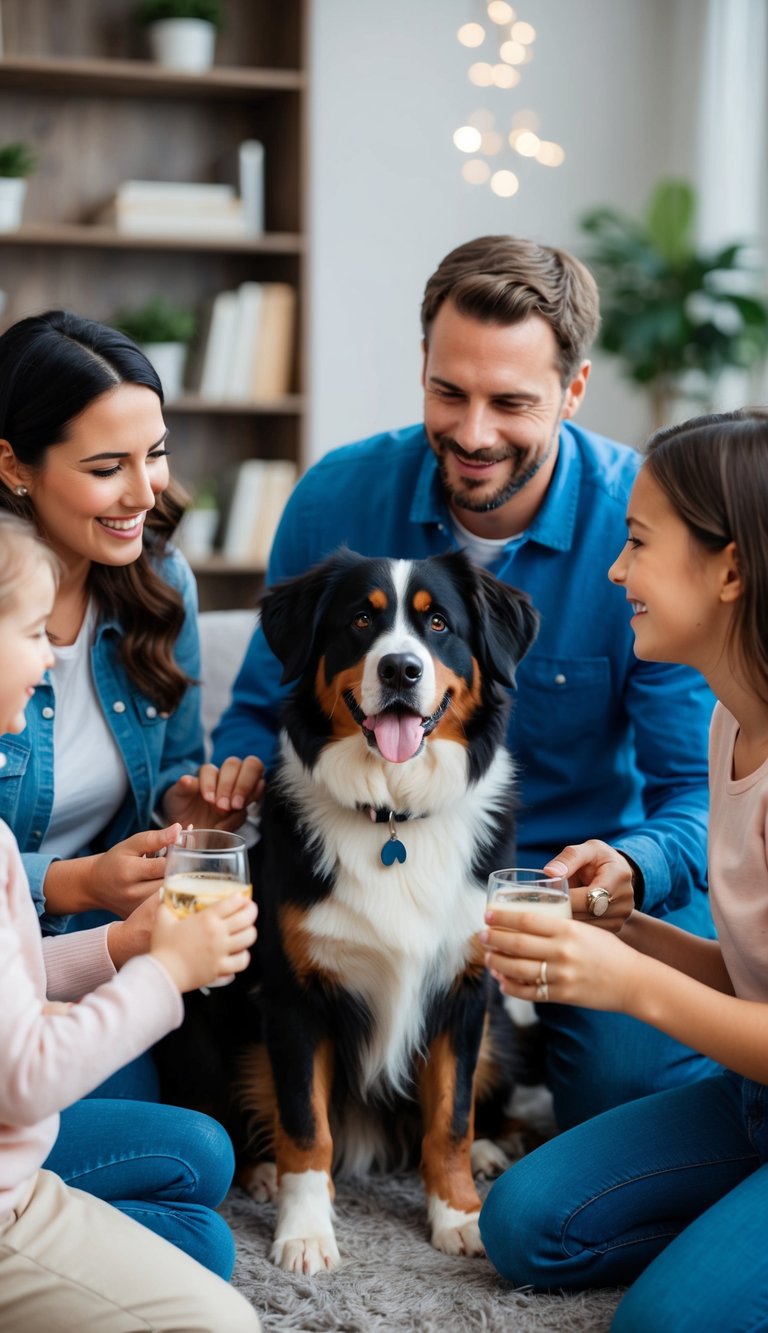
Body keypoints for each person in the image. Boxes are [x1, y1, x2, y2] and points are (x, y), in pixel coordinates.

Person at [211, 235, 716, 1130]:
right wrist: (231, 785)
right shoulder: (334, 497)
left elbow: (697, 788)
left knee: (624, 1094)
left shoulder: (640, 525)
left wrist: (635, 867)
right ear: (422, 366)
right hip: (359, 862)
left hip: (573, 891)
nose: (474, 433)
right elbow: (261, 707)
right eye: (450, 392)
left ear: (574, 389)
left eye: (511, 402)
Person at [478, 409, 768, 1331]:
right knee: (523, 1224)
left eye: (638, 542)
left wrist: (628, 983)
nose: (614, 570)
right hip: (754, 1097)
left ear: (730, 569)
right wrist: (625, 931)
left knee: (661, 1324)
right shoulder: (732, 722)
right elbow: (752, 977)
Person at [0, 309, 261, 1256]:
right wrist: (74, 882)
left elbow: (171, 767)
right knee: (181, 1183)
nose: (145, 492)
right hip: (22, 950)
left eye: (154, 454)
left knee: (196, 1160)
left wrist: (185, 807)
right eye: (107, 466)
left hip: (100, 949)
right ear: (14, 466)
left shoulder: (159, 581)